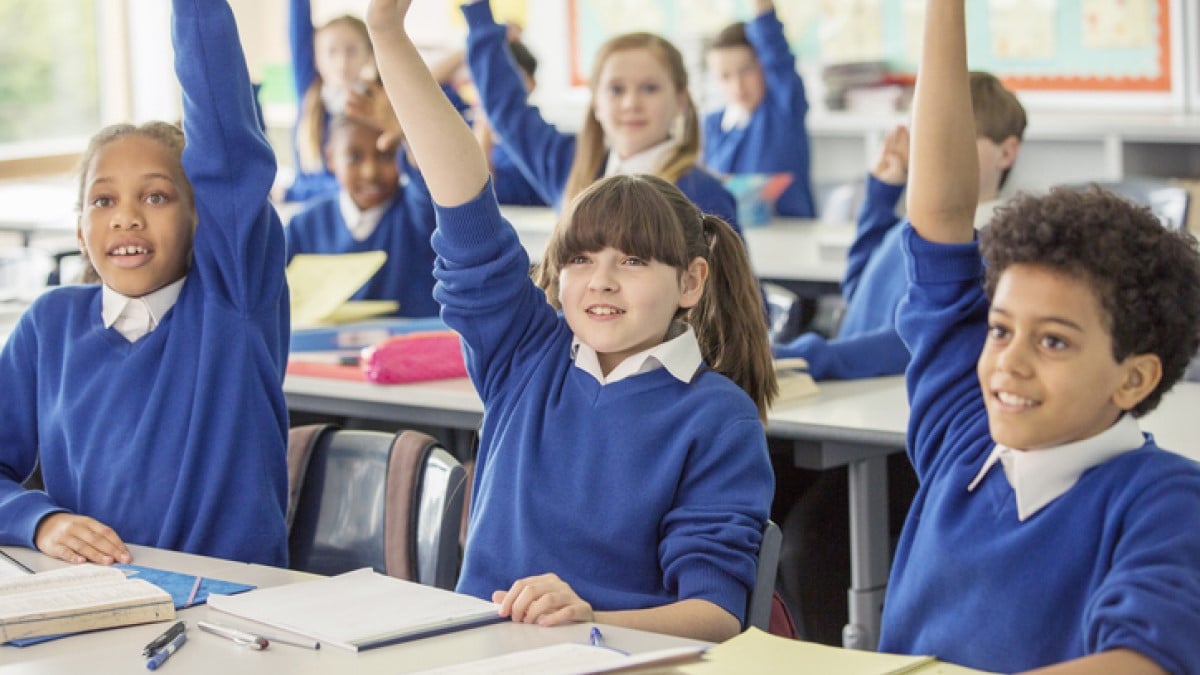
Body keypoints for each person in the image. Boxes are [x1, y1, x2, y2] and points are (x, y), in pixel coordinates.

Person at [366, 0, 775, 642]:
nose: (602, 280)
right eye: (580, 259)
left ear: (691, 281)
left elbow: (717, 616)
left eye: (634, 260)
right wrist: (386, 34)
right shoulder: (527, 355)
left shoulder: (717, 417)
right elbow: (464, 203)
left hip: (613, 656)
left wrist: (586, 617)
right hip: (477, 651)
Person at [883, 1, 1200, 672]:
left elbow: (1142, 660)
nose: (1008, 363)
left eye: (1054, 341)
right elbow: (940, 214)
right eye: (999, 330)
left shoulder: (1165, 499)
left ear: (1134, 377)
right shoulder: (963, 439)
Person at [0, 0, 290, 566]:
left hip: (234, 613)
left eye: (156, 196)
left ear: (201, 218)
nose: (126, 217)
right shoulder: (49, 324)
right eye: (103, 200)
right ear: (81, 231)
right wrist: (39, 521)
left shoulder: (233, 306)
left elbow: (228, 141)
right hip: (92, 609)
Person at [774, 72, 1025, 381]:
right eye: (923, 136)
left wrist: (810, 356)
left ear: (1007, 152)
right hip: (852, 389)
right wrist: (881, 197)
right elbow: (858, 292)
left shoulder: (993, 246)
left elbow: (913, 340)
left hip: (883, 396)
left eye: (956, 138)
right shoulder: (913, 223)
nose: (932, 152)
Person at [459, 0, 741, 234]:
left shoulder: (703, 195)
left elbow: (737, 296)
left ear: (680, 100)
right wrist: (478, 14)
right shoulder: (571, 166)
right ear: (596, 103)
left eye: (650, 88)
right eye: (616, 89)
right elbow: (508, 111)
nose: (631, 103)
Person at [284, 113, 439, 318]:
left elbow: (429, 181)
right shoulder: (303, 226)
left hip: (411, 346)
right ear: (330, 158)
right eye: (354, 157)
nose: (370, 172)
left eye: (385, 155)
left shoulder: (417, 213)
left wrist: (409, 136)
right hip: (325, 349)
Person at [703, 0, 814, 218]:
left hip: (792, 236)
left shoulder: (783, 112)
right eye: (725, 76)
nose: (738, 86)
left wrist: (763, 10)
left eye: (746, 70)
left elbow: (778, 57)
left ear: (764, 66)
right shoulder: (713, 125)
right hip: (734, 243)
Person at [283, 0, 377, 203]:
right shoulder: (309, 96)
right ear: (316, 58)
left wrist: (292, 193)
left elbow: (359, 187)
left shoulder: (376, 106)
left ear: (368, 53)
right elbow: (297, 26)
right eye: (331, 52)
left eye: (351, 51)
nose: (341, 62)